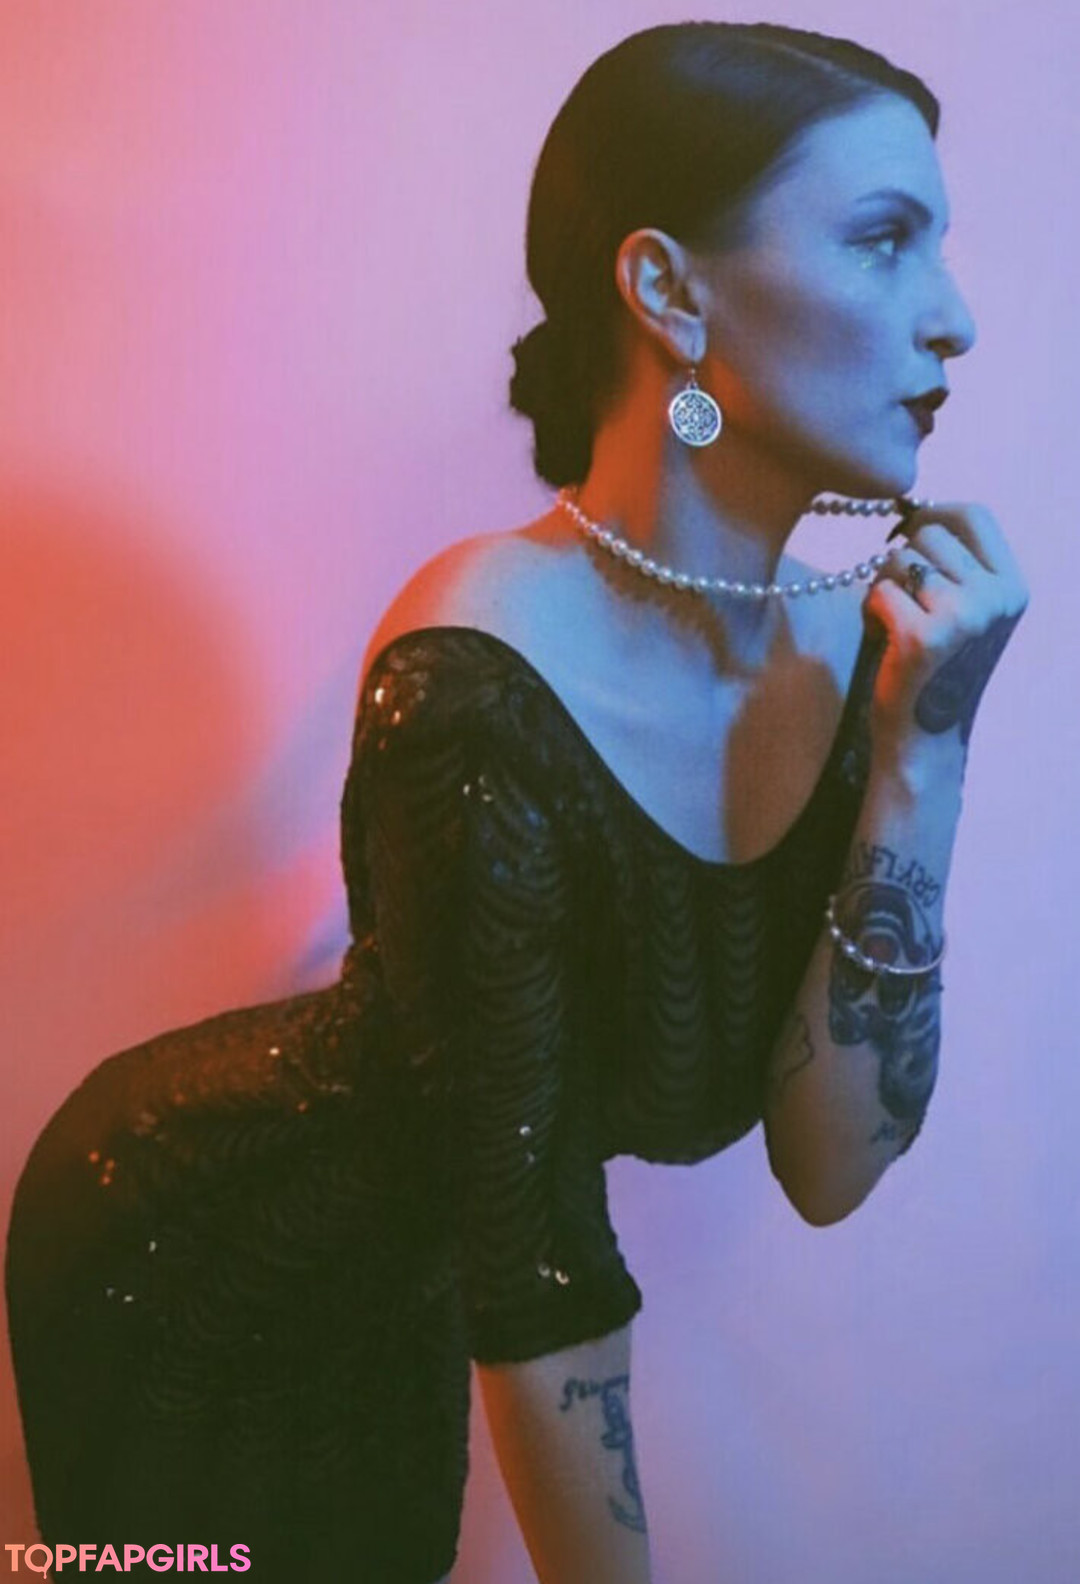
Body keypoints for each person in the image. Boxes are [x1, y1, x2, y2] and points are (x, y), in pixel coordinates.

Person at [4, 19, 1028, 1584]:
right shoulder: (475, 672)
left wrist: (926, 746)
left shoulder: (865, 655)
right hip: (206, 1262)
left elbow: (830, 1166)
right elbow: (537, 1258)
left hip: (421, 1284)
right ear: (669, 291)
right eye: (886, 240)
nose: (954, 318)